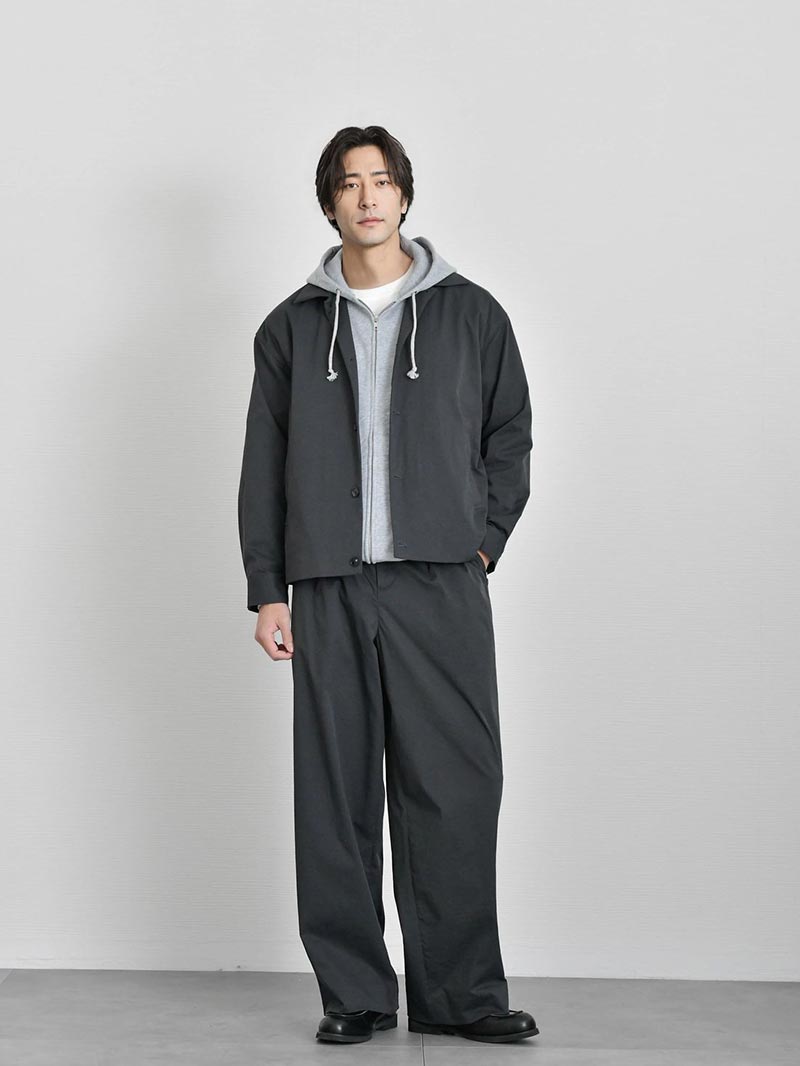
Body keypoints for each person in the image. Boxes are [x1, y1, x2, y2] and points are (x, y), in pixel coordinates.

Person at [237, 125, 538, 1046]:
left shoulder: (472, 315)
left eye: (381, 180)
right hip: (327, 584)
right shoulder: (292, 327)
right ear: (329, 202)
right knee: (335, 797)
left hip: (440, 582)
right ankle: (356, 995)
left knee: (455, 786)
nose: (367, 197)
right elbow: (264, 465)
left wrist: (481, 545)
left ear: (404, 194)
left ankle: (461, 996)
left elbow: (510, 436)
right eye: (348, 183)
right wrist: (269, 587)